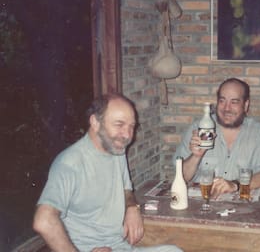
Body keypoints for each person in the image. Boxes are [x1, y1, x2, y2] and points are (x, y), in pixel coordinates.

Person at [33, 94, 182, 252]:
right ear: (95, 122)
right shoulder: (70, 164)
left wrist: (132, 207)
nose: (127, 135)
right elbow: (44, 220)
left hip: (119, 246)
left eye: (132, 126)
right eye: (119, 124)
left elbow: (126, 188)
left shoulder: (116, 149)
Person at [173, 78, 260, 198]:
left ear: (245, 105)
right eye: (222, 101)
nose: (227, 108)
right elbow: (182, 177)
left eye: (234, 102)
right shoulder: (199, 128)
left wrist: (235, 185)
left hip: (242, 208)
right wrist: (196, 156)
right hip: (201, 204)